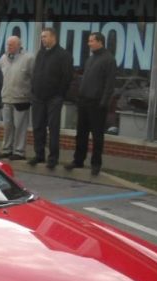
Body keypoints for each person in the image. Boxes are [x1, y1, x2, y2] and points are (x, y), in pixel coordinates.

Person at [65, 32, 116, 176]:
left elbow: (109, 84)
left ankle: (96, 164)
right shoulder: (90, 59)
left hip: (97, 103)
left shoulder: (109, 60)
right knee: (81, 133)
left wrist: (104, 102)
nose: (89, 43)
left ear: (100, 42)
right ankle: (78, 160)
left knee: (97, 136)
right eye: (89, 41)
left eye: (92, 41)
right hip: (84, 101)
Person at [29, 27, 73, 169]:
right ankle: (39, 155)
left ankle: (53, 158)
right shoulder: (41, 54)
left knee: (53, 128)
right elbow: (35, 72)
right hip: (38, 97)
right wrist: (34, 90)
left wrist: (59, 94)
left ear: (53, 37)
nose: (42, 39)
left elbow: (67, 77)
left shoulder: (63, 55)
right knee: (38, 127)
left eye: (45, 37)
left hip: (54, 98)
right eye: (41, 37)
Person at [0, 36, 34, 160]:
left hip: (21, 99)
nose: (9, 47)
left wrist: (29, 94)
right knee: (7, 126)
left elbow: (33, 78)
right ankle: (6, 149)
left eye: (12, 45)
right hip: (6, 98)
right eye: (8, 44)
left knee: (20, 126)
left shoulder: (29, 59)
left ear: (19, 45)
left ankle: (19, 151)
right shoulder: (3, 59)